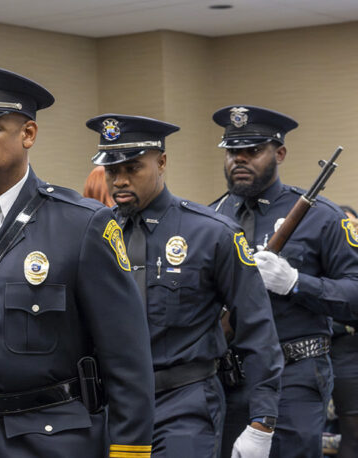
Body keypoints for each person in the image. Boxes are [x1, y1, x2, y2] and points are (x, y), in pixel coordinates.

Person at [0, 65, 154, 457]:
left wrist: (129, 452)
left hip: (44, 440)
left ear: (28, 134)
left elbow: (128, 361)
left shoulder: (82, 224)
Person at [89, 114, 283, 457]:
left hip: (183, 402)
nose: (119, 180)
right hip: (113, 404)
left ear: (161, 162)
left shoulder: (211, 233)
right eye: (111, 170)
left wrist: (262, 421)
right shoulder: (96, 234)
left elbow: (257, 328)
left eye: (132, 168)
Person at [210, 105, 358, 458]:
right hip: (228, 376)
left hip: (294, 375)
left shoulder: (321, 217)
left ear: (279, 153)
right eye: (233, 152)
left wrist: (296, 283)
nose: (240, 160)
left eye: (253, 151)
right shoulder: (210, 217)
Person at [329, 205, 358, 457]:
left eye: (356, 226)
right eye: (347, 226)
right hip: (344, 354)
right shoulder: (329, 262)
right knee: (353, 433)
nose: (352, 231)